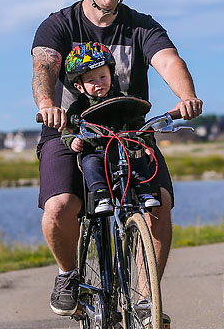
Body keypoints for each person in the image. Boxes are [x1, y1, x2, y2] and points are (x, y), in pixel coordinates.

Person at [32, 0, 203, 321]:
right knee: (61, 207)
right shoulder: (60, 23)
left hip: (128, 131)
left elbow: (167, 59)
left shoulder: (140, 25)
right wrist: (47, 106)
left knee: (159, 203)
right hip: (70, 128)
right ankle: (68, 275)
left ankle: (145, 301)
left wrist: (186, 96)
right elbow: (45, 66)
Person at [60, 40, 161, 216]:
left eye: (103, 77)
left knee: (138, 157)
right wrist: (73, 140)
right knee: (90, 163)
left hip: (123, 150)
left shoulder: (123, 100)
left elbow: (139, 125)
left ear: (111, 75)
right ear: (79, 86)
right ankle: (102, 196)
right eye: (91, 80)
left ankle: (144, 192)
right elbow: (67, 130)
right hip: (96, 152)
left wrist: (146, 144)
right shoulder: (78, 107)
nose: (99, 83)